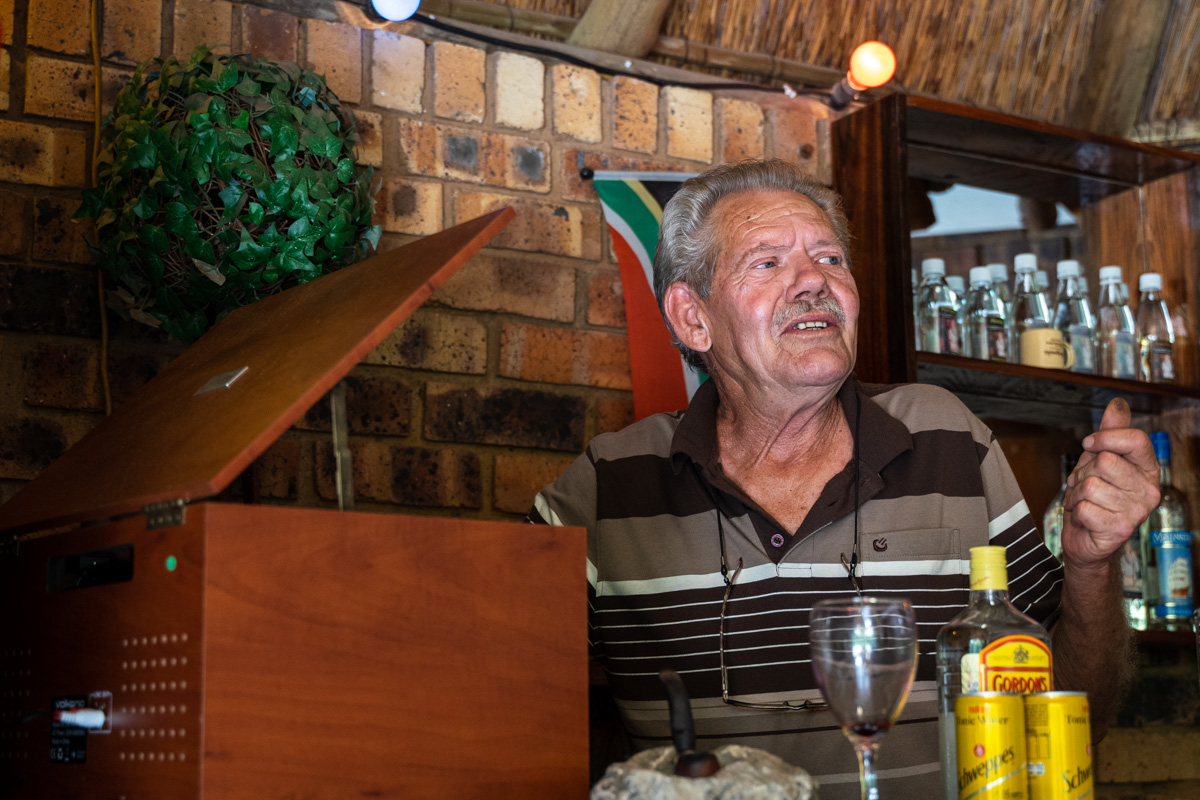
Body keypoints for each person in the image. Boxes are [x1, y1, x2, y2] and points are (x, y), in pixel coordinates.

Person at [529, 159, 1158, 798]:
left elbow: (1079, 717)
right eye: (767, 263)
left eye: (829, 259)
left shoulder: (948, 439)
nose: (813, 281)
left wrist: (1091, 566)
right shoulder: (610, 483)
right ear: (694, 318)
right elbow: (496, 679)